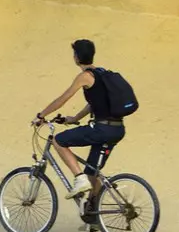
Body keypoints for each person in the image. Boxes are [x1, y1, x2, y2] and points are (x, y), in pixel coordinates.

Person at [33, 38, 125, 200]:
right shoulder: (102, 73)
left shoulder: (85, 76)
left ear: (76, 56)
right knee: (92, 172)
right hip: (117, 129)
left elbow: (63, 99)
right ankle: (94, 217)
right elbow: (94, 104)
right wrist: (74, 118)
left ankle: (79, 179)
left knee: (58, 141)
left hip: (101, 129)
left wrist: (42, 115)